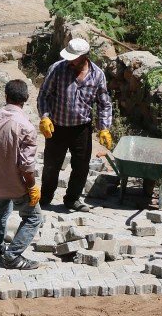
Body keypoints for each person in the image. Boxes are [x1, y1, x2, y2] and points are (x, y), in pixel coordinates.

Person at [0, 79, 43, 270]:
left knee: (1, 207)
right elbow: (26, 165)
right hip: (16, 184)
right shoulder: (26, 127)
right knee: (34, 217)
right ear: (26, 99)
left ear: (6, 96)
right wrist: (32, 187)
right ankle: (12, 256)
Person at [37, 38, 113, 212]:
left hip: (81, 129)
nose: (70, 61)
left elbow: (104, 103)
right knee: (51, 165)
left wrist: (104, 127)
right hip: (56, 126)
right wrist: (45, 117)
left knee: (81, 167)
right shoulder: (57, 69)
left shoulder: (98, 75)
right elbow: (43, 96)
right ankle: (45, 197)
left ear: (85, 57)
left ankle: (72, 200)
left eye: (74, 59)